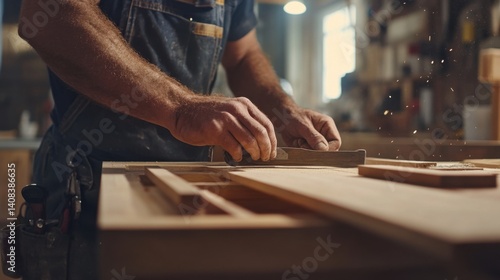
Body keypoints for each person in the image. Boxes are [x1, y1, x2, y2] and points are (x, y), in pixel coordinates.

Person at [18, 0, 341, 279]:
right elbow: (51, 15)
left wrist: (283, 110)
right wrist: (180, 108)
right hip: (86, 186)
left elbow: (243, 56)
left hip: (186, 187)